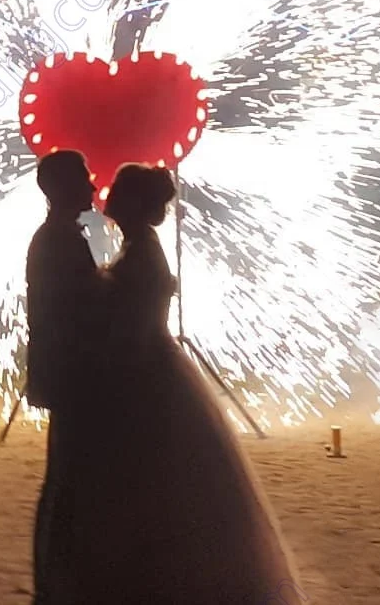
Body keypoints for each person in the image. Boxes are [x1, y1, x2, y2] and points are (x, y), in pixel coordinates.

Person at [63, 162, 301, 604]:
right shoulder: (139, 247)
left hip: (143, 373)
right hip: (154, 366)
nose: (107, 197)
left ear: (133, 202)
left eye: (117, 192)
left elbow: (128, 322)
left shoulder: (139, 254)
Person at [25, 150, 100, 605]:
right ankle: (56, 581)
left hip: (68, 368)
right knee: (66, 478)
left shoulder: (61, 236)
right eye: (85, 180)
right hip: (73, 370)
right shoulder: (58, 240)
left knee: (68, 474)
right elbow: (70, 310)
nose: (93, 187)